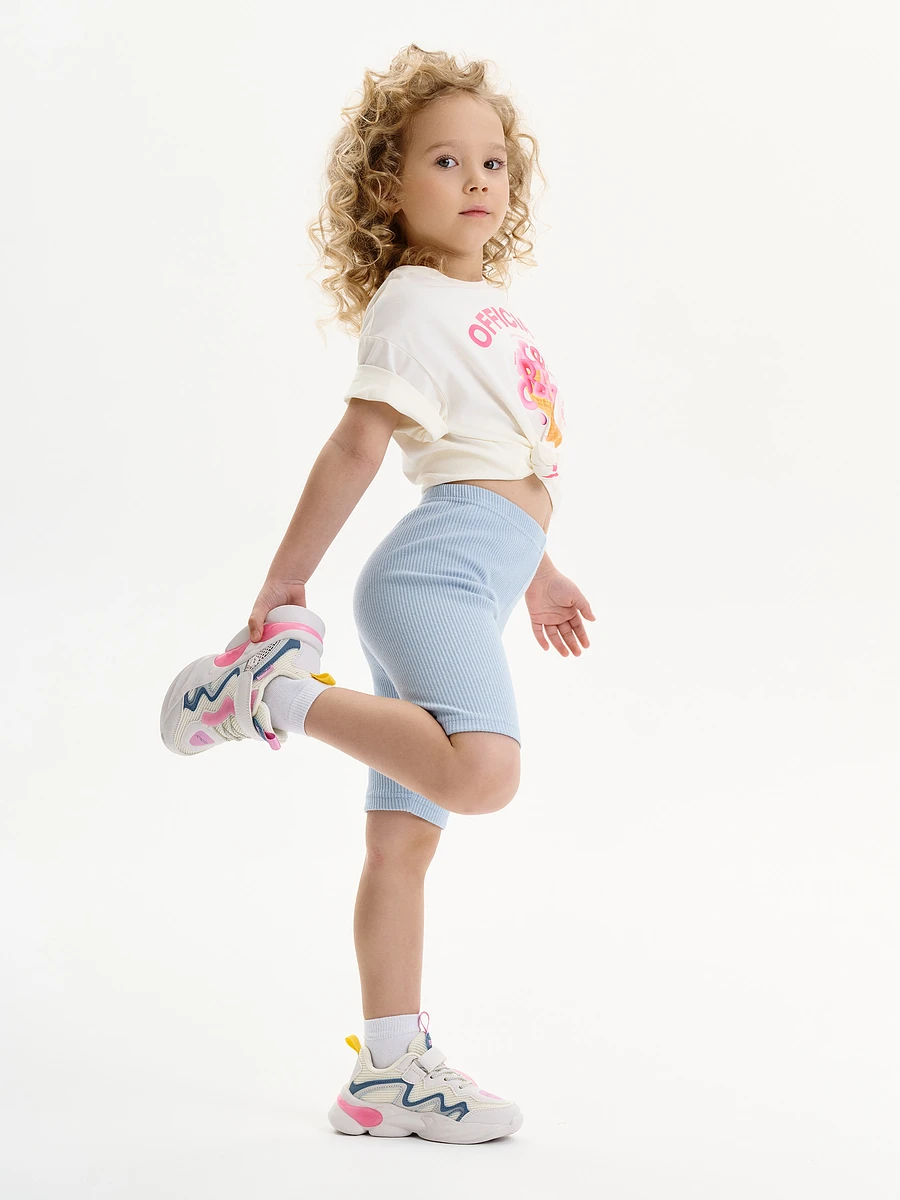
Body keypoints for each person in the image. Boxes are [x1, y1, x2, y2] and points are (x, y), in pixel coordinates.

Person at [159, 44, 594, 1145]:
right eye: (446, 160)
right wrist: (284, 582)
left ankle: (388, 1071)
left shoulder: (479, 305)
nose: (478, 178)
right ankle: (275, 695)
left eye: (493, 160)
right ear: (390, 189)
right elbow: (358, 443)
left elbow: (494, 456)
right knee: (485, 772)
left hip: (474, 573)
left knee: (402, 847)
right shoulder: (412, 303)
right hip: (432, 576)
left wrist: (538, 570)